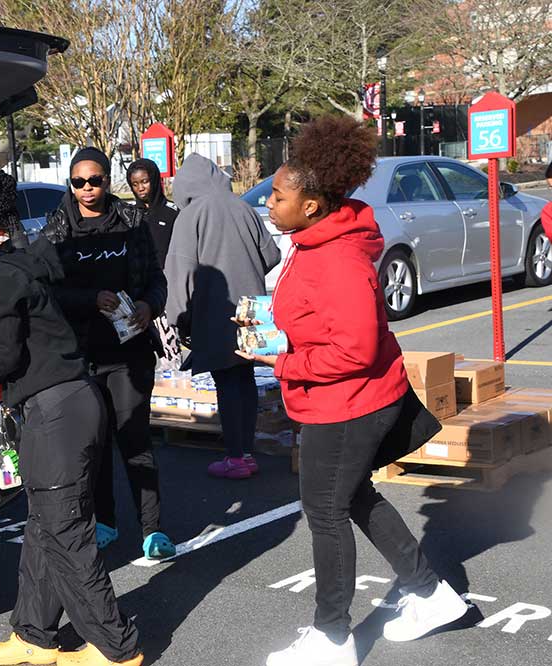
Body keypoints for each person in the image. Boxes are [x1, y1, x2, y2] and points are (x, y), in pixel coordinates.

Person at [237, 117, 468, 666]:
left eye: (278, 195)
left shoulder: (337, 258)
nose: (269, 202)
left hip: (349, 405)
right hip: (339, 398)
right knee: (351, 496)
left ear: (312, 205)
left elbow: (356, 351)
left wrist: (285, 359)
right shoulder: (317, 240)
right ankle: (432, 594)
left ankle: (332, 637)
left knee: (325, 511)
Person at [0, 167, 143, 666]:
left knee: (66, 531)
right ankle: (33, 634)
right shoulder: (27, 263)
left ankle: (116, 649)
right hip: (73, 405)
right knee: (46, 527)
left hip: (54, 414)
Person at [43, 147, 175, 560]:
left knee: (134, 439)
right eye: (79, 181)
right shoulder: (58, 227)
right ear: (70, 182)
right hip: (81, 355)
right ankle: (104, 521)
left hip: (130, 350)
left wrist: (148, 307)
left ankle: (152, 529)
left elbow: (157, 279)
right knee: (92, 444)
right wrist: (88, 299)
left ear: (106, 179)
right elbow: (47, 288)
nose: (87, 189)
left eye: (95, 180)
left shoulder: (132, 221)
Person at [165, 153, 281, 480]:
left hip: (215, 310)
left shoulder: (191, 216)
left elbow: (180, 273)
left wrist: (177, 316)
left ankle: (236, 456)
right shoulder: (242, 206)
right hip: (252, 308)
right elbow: (271, 255)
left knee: (226, 381)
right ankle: (247, 450)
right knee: (244, 379)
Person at [127, 158, 182, 370]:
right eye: (135, 184)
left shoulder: (172, 212)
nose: (141, 188)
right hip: (139, 293)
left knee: (170, 354)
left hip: (167, 291)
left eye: (145, 181)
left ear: (155, 181)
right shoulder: (130, 215)